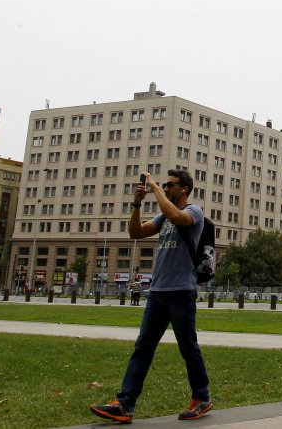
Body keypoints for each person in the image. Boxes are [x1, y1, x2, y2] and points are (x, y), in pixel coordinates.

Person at [90, 170, 212, 424]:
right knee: (143, 348)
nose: (166, 188)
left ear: (184, 189)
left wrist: (155, 188)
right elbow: (135, 233)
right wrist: (136, 204)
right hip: (157, 293)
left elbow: (175, 216)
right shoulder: (162, 216)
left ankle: (202, 397)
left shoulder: (194, 211)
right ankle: (124, 404)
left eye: (170, 185)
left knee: (188, 347)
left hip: (181, 291)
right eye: (164, 184)